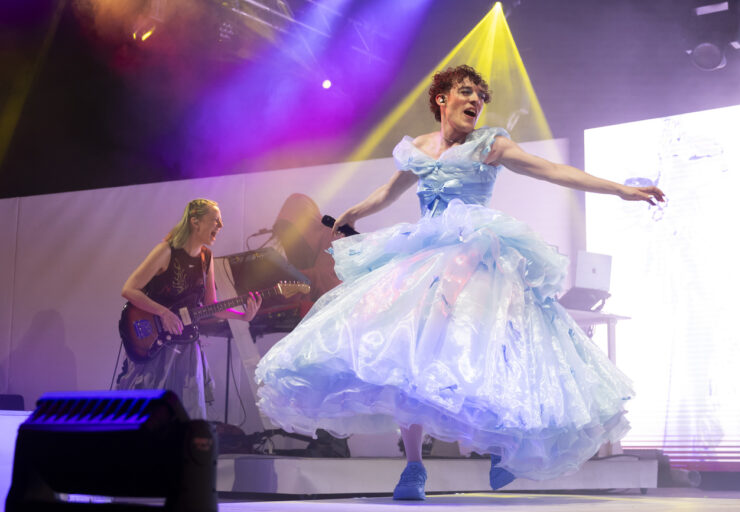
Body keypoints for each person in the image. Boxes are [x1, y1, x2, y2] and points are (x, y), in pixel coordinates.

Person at [254, 65, 665, 499]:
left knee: (489, 346)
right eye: (466, 92)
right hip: (426, 256)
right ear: (441, 99)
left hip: (478, 255)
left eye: (480, 97)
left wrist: (618, 189)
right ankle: (413, 466)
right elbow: (390, 191)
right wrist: (354, 212)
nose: (475, 102)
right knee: (409, 356)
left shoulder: (490, 144)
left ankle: (502, 445)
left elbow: (549, 170)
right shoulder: (418, 149)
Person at [118, 198, 261, 419]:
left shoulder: (207, 257)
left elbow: (211, 306)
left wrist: (242, 316)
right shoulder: (165, 251)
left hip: (187, 346)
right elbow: (129, 289)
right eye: (215, 220)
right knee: (150, 414)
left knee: (187, 416)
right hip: (157, 346)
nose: (220, 226)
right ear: (195, 222)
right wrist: (163, 313)